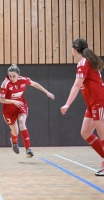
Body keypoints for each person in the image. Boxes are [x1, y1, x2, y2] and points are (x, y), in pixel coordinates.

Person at [61, 38, 104, 176]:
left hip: (99, 101)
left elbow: (77, 84)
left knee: (102, 135)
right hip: (91, 104)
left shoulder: (83, 63)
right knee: (85, 132)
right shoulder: (86, 62)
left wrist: (67, 104)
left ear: (74, 50)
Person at [0, 64, 55, 158]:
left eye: (14, 76)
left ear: (18, 75)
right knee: (15, 132)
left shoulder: (23, 80)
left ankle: (28, 150)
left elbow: (35, 84)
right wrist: (13, 101)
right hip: (8, 110)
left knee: (22, 123)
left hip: (20, 105)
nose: (12, 78)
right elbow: (1, 99)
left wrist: (47, 92)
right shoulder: (5, 84)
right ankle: (14, 141)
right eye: (10, 76)